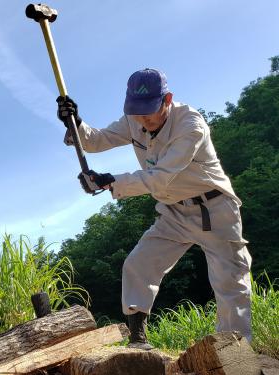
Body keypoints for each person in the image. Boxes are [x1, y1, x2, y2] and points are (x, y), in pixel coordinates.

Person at [57, 68, 252, 350]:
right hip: (173, 210)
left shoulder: (190, 126)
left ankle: (237, 354)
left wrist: (109, 182)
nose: (142, 120)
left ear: (167, 100)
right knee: (139, 264)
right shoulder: (135, 119)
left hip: (214, 209)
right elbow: (96, 140)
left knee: (230, 282)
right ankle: (138, 341)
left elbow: (160, 176)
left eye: (149, 111)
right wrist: (76, 123)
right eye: (136, 112)